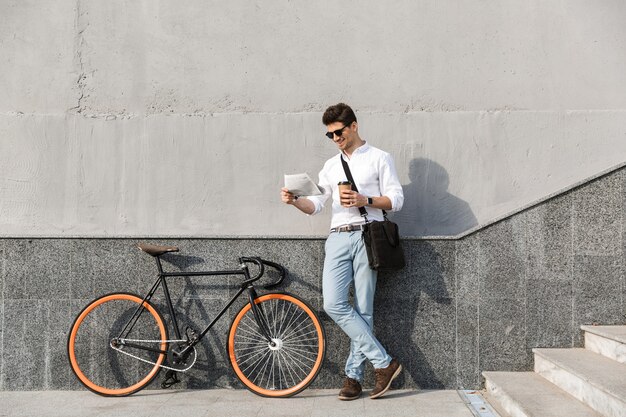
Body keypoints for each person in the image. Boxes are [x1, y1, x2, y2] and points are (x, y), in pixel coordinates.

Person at [281, 103, 404, 400]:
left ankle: (353, 377)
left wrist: (366, 198)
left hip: (366, 235)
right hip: (337, 237)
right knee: (334, 304)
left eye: (338, 132)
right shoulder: (331, 166)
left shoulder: (379, 158)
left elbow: (397, 200)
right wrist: (295, 201)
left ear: (354, 126)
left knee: (363, 309)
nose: (335, 138)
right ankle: (384, 362)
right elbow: (317, 205)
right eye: (330, 135)